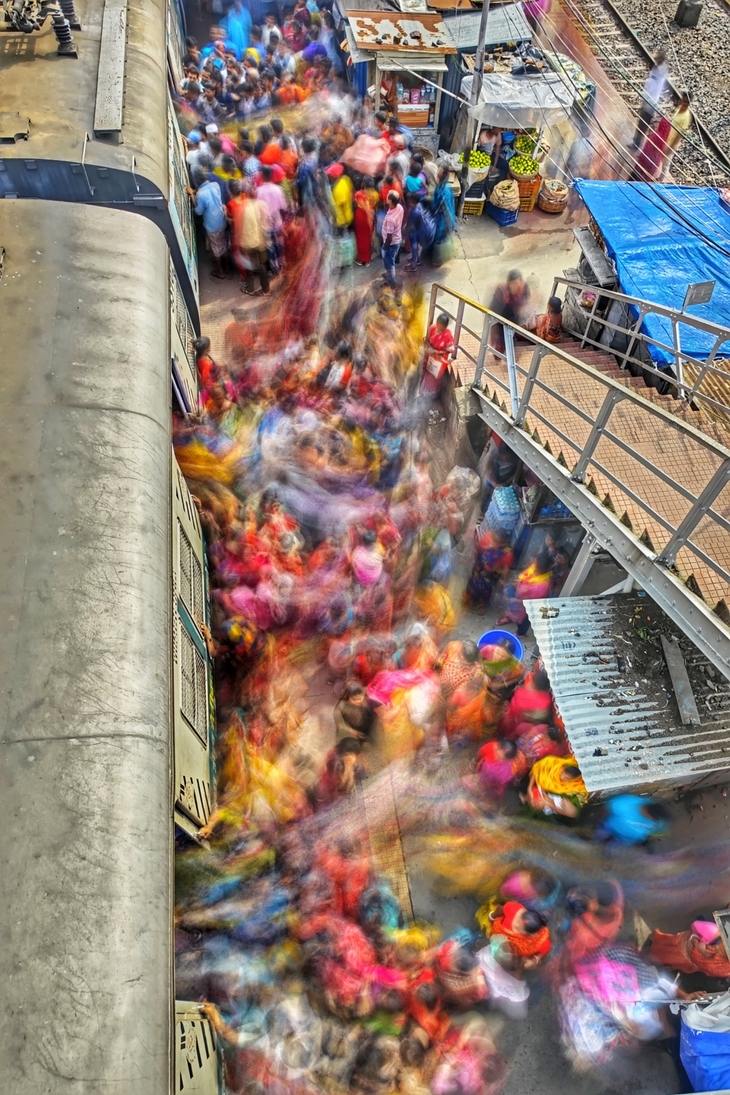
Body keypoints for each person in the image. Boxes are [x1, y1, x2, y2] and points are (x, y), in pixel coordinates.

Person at [649, 917, 730, 979]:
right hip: (678, 948)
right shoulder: (713, 932)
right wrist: (697, 942)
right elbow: (694, 925)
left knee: (661, 963)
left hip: (689, 964)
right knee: (657, 952)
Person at [188, 167, 228, 279]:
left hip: (212, 225)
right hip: (221, 220)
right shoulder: (215, 185)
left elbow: (198, 211)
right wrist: (195, 191)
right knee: (223, 245)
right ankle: (227, 267)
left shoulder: (200, 194)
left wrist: (192, 196)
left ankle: (221, 272)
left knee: (216, 250)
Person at [232, 183, 271, 295]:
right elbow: (268, 222)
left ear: (246, 193)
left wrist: (237, 241)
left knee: (250, 266)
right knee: (262, 265)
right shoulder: (262, 204)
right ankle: (265, 290)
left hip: (247, 243)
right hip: (261, 242)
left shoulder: (241, 207)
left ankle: (250, 289)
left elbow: (238, 227)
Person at [523, 755, 587, 819]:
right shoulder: (556, 764)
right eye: (562, 773)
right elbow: (538, 768)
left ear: (573, 779)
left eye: (567, 778)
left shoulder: (577, 788)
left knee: (536, 803)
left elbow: (571, 813)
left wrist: (547, 802)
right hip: (543, 793)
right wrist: (529, 788)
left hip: (550, 802)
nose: (562, 777)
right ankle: (525, 798)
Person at [630, 50, 668, 152]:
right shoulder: (659, 68)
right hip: (648, 99)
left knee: (642, 124)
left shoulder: (660, 71)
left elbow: (651, 85)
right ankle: (636, 141)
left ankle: (637, 143)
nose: (655, 60)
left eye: (657, 58)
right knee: (641, 123)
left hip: (650, 102)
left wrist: (647, 83)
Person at [596, 794, 671, 845]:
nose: (655, 821)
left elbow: (654, 832)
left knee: (610, 847)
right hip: (610, 827)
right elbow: (605, 810)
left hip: (626, 839)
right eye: (654, 818)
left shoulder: (659, 822)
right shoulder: (623, 804)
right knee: (597, 838)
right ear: (648, 813)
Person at [488, 270, 530, 355]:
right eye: (513, 284)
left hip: (515, 315)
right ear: (509, 283)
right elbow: (493, 308)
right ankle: (498, 357)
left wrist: (522, 306)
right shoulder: (501, 291)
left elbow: (527, 296)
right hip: (502, 315)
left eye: (517, 283)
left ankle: (510, 358)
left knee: (512, 337)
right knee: (501, 339)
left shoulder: (523, 287)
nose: (515, 286)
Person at [421, 312, 454, 397]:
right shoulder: (432, 328)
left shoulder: (448, 335)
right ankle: (424, 392)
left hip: (439, 360)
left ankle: (433, 395)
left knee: (435, 377)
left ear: (445, 327)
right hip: (429, 357)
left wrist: (436, 352)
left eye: (442, 328)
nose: (439, 329)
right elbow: (426, 340)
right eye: (438, 326)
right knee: (426, 373)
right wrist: (428, 349)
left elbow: (450, 350)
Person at [661, 91, 692, 181]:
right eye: (684, 101)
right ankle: (659, 177)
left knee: (666, 162)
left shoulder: (686, 116)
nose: (684, 103)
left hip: (672, 143)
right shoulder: (679, 109)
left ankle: (661, 180)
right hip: (667, 138)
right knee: (662, 159)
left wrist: (670, 146)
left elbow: (680, 134)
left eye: (687, 102)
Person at [381, 191, 404, 289]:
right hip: (397, 239)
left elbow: (389, 238)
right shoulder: (399, 207)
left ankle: (392, 283)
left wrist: (384, 248)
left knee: (390, 264)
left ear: (390, 201)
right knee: (391, 260)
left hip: (391, 243)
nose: (386, 197)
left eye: (387, 197)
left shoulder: (391, 219)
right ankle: (389, 276)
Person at [353, 178, 378, 266]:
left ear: (364, 184)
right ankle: (367, 259)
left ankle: (362, 260)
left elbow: (362, 206)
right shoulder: (375, 194)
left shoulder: (359, 194)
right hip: (371, 215)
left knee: (360, 238)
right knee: (368, 237)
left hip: (361, 216)